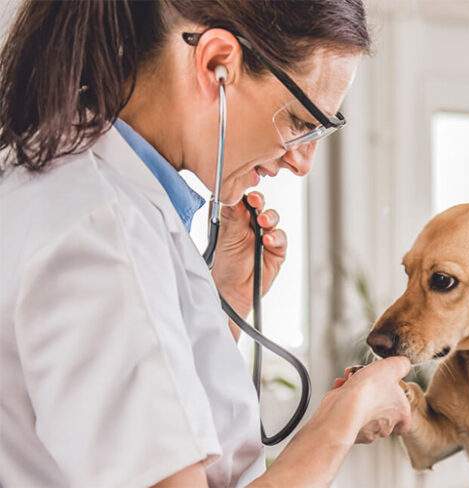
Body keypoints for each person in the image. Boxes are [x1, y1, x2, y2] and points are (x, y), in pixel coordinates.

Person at [0, 1, 411, 486]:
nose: (303, 163)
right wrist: (343, 418)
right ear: (217, 64)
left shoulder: (80, 194)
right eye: (302, 122)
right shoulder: (101, 234)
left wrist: (222, 305)